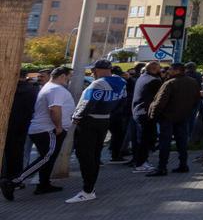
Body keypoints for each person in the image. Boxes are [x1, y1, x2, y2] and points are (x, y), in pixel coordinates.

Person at [1, 66, 74, 200]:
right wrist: (58, 127)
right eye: (69, 77)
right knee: (46, 157)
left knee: (48, 158)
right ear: (63, 76)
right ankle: (13, 182)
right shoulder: (55, 89)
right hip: (48, 129)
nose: (69, 80)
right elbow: (54, 109)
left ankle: (44, 184)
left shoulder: (49, 87)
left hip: (45, 129)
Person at [68, 59, 128, 203]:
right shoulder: (120, 82)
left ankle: (87, 190)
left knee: (84, 155)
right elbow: (123, 101)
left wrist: (77, 117)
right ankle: (90, 187)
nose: (92, 73)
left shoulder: (98, 84)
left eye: (94, 70)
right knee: (95, 155)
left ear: (100, 70)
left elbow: (88, 102)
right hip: (104, 120)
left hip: (89, 121)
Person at [147, 62, 201, 177]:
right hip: (183, 116)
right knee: (182, 142)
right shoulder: (193, 82)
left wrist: (153, 116)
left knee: (164, 143)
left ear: (177, 70)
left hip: (168, 117)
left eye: (170, 69)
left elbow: (160, 101)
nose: (168, 71)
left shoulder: (170, 83)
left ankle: (162, 167)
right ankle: (183, 164)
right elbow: (196, 99)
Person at [1, 70, 39, 189]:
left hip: (6, 125)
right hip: (22, 126)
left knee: (6, 153)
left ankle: (4, 177)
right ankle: (15, 179)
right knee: (17, 153)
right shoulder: (32, 90)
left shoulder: (7, 88)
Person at [130, 62, 163, 173]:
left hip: (137, 111)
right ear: (155, 69)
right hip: (146, 113)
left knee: (140, 139)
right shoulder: (155, 81)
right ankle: (141, 163)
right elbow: (159, 98)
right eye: (159, 68)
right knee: (144, 140)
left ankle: (140, 161)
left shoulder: (142, 77)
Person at [107, 65, 131, 162]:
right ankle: (116, 155)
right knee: (118, 135)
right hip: (118, 113)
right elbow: (124, 97)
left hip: (106, 112)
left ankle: (99, 157)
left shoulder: (104, 81)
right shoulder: (122, 82)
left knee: (105, 136)